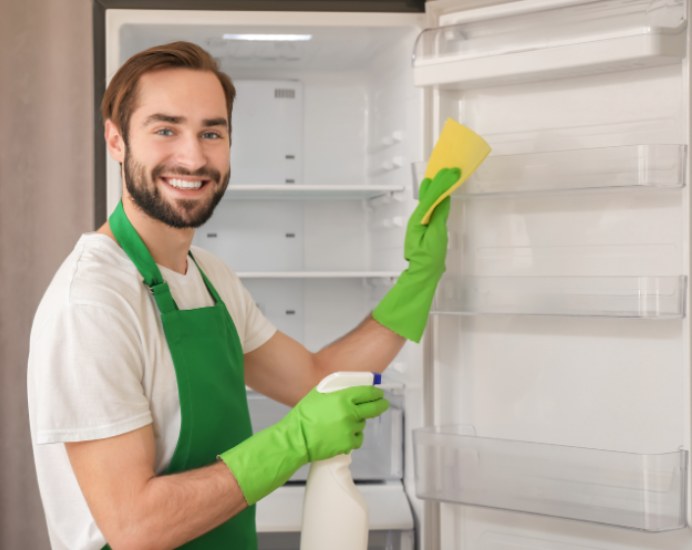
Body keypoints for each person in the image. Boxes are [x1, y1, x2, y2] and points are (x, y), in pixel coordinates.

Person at [27, 41, 461, 550]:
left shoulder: (211, 277)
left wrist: (419, 278)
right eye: (165, 129)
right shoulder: (94, 302)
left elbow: (314, 379)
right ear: (116, 140)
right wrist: (293, 441)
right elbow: (134, 526)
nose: (192, 157)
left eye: (211, 132)